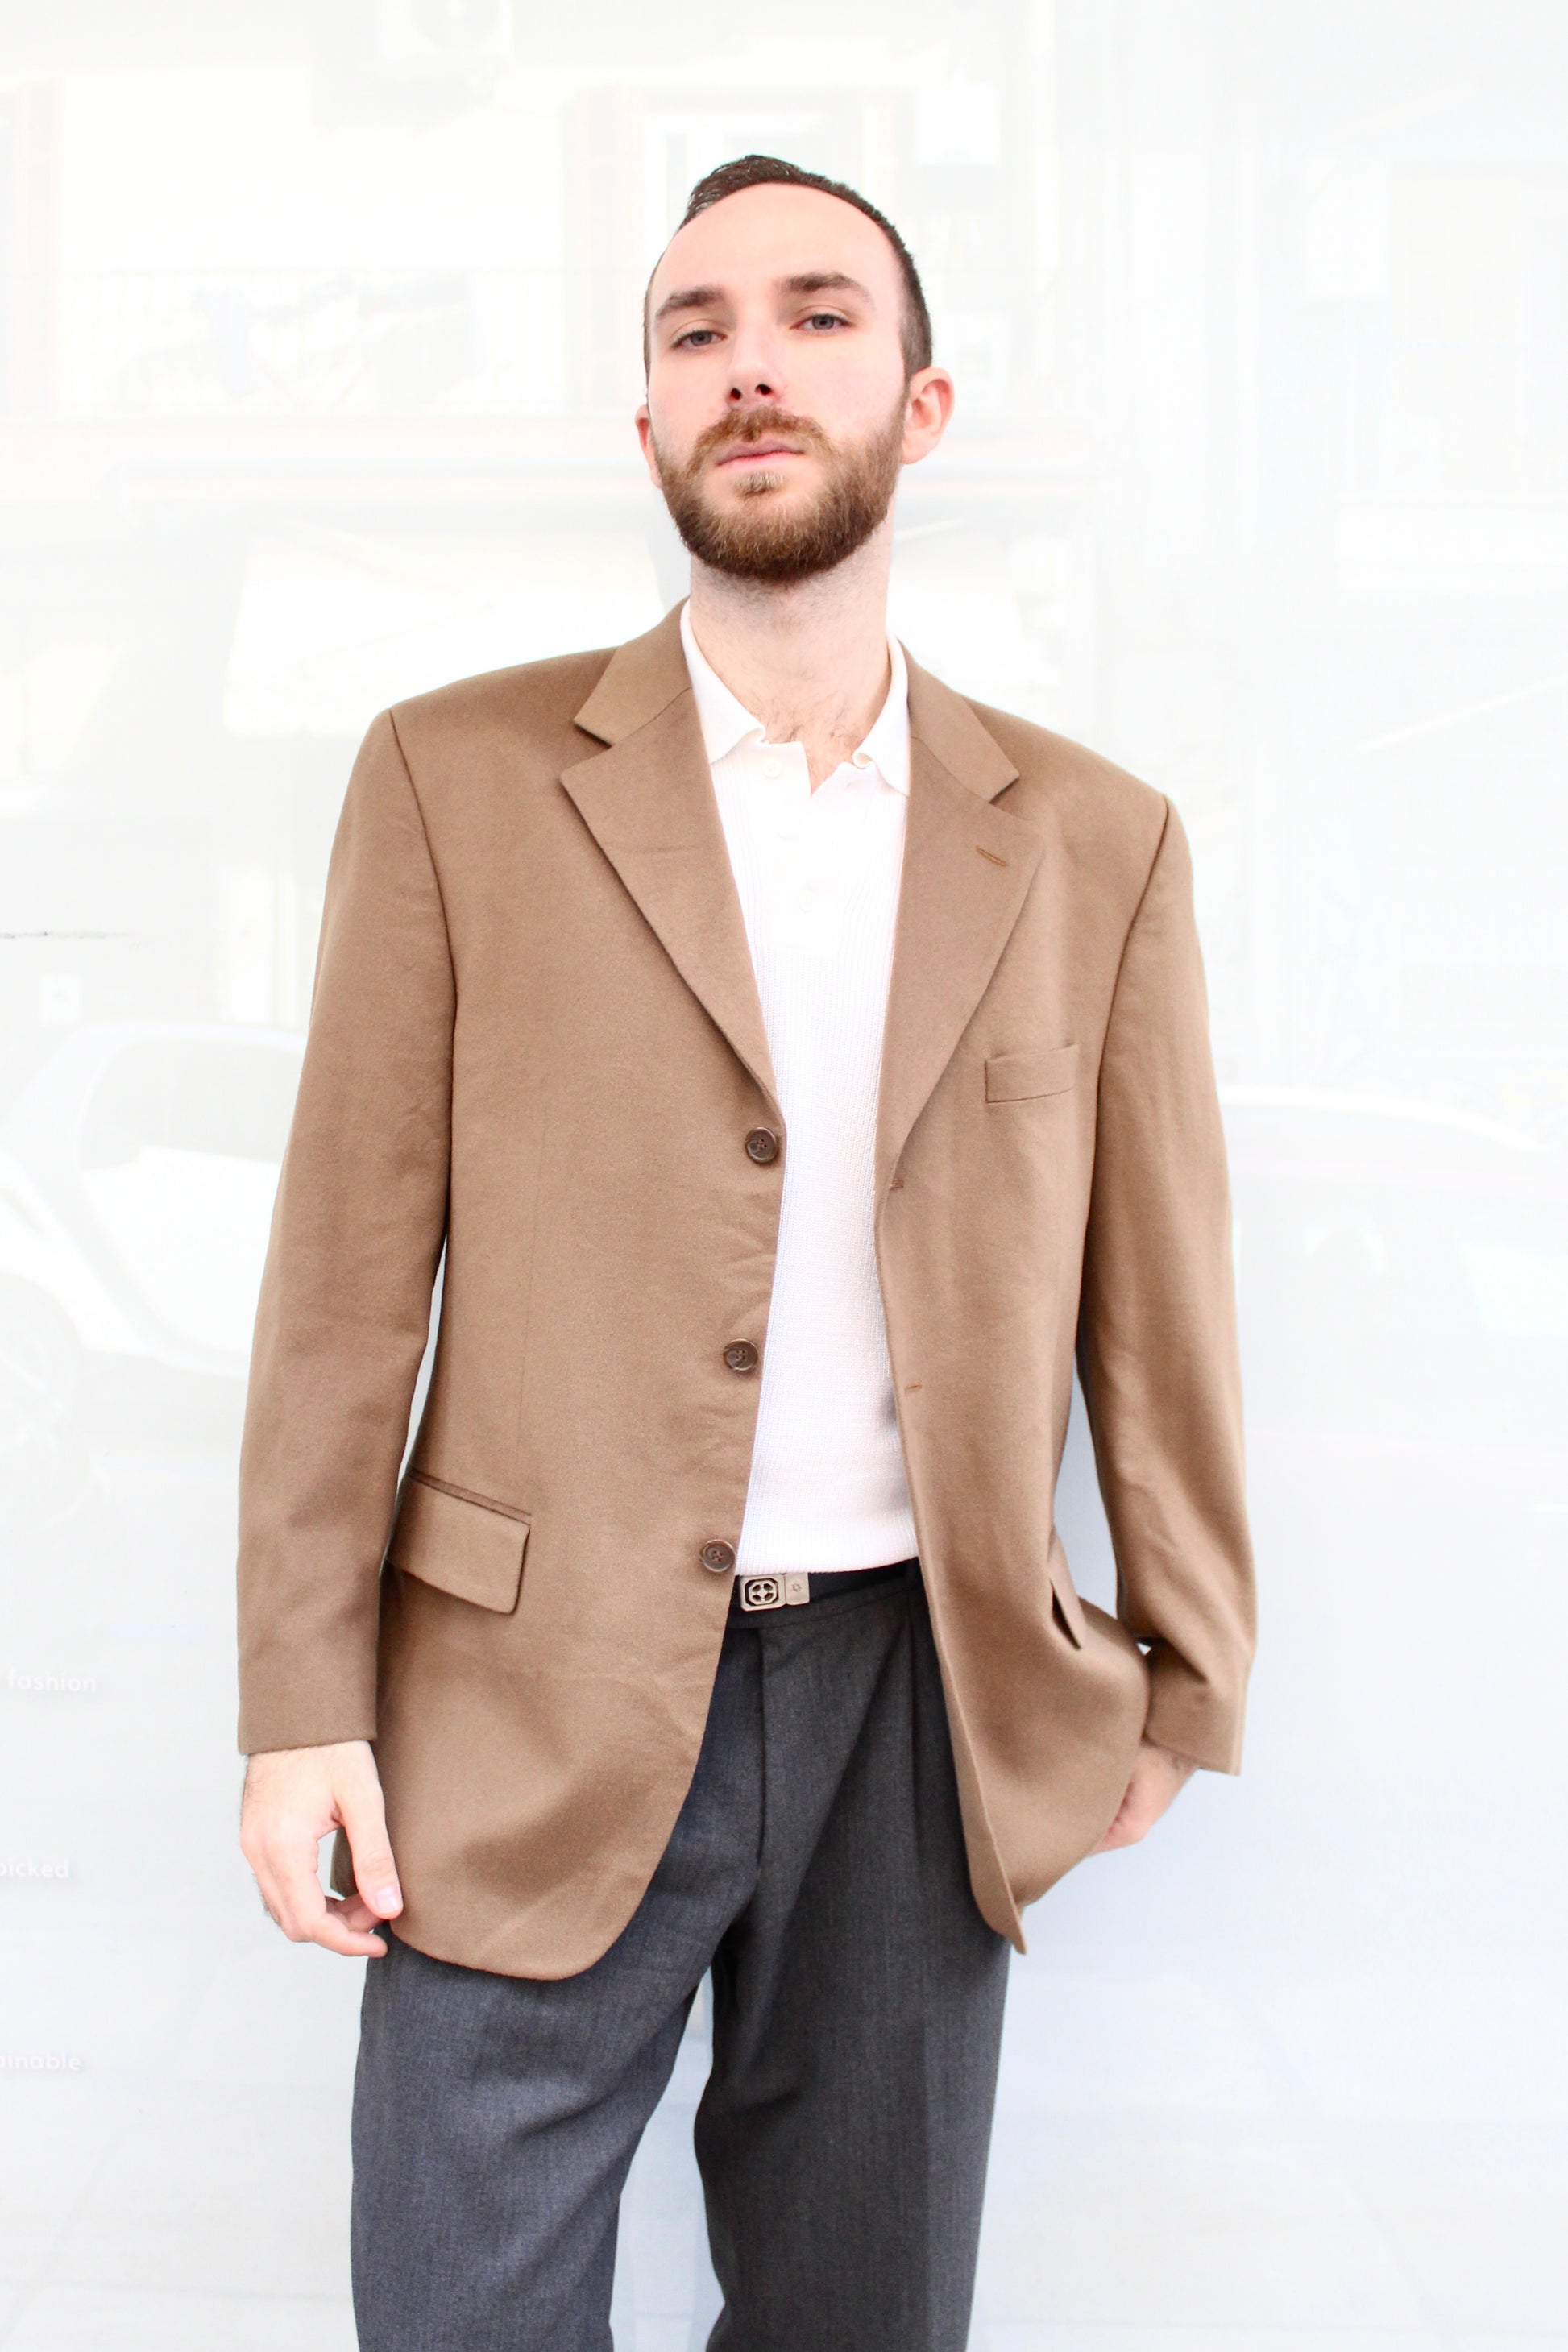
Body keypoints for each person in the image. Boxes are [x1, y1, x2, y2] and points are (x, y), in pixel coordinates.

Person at [236, 153, 1256, 2352]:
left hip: (919, 1703)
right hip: (518, 1693)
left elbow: (1160, 1300)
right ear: (647, 427)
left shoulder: (1095, 842)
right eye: (695, 333)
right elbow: (339, 1293)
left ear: (923, 402)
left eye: (814, 316)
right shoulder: (453, 781)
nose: (751, 367)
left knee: (859, 2315)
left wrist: (1190, 1662)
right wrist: (298, 1702)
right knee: (460, 2308)